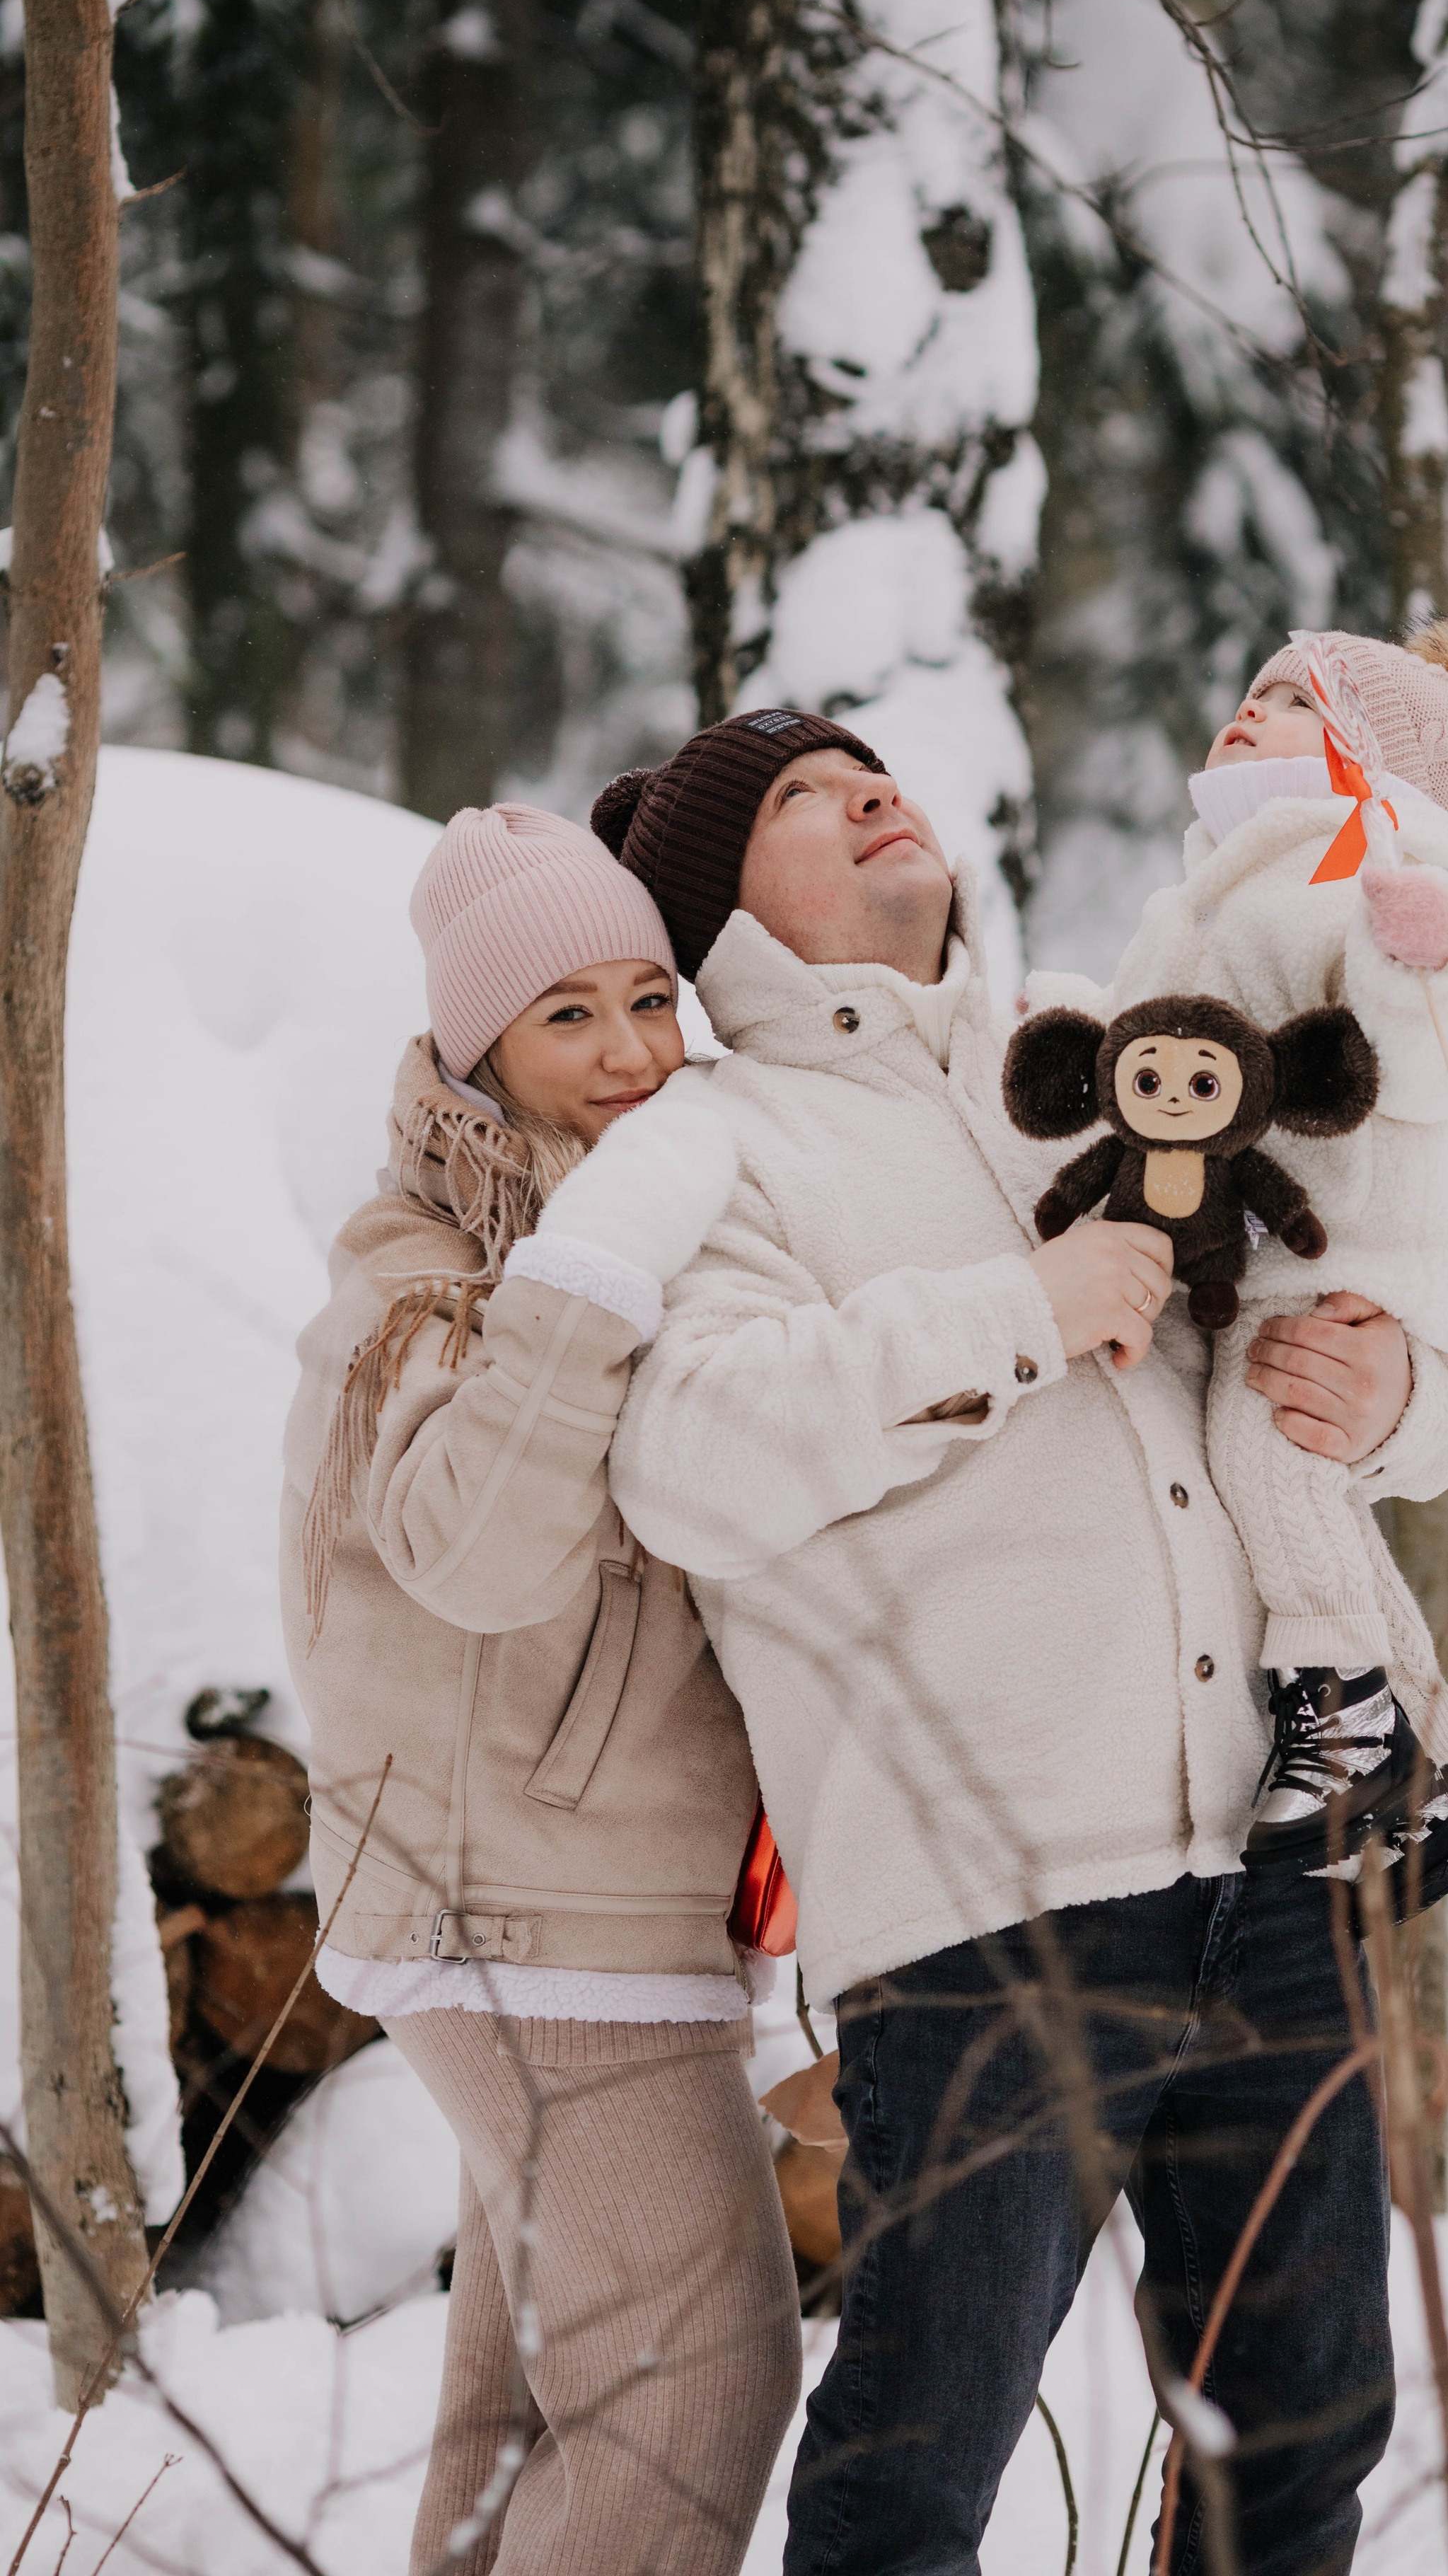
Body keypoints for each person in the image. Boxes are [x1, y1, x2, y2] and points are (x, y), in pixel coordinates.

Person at [596, 707, 1448, 2575]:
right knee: (920, 2475)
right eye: (795, 796)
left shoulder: (1105, 1052)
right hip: (983, 1906)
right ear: (716, 911)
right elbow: (690, 1462)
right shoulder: (712, 1142)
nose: (869, 790)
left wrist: (1401, 1391)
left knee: (1304, 2433)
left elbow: (1397, 1279)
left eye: (871, 766)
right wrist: (1018, 1308)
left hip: (1281, 1860)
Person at [279, 802, 799, 2576]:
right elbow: (481, 1556)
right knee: (699, 2388)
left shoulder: (692, 1218)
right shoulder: (417, 1276)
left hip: (593, 1899)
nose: (632, 1054)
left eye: (649, 998)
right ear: (475, 1050)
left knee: (528, 2421)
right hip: (518, 1915)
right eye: (566, 1016)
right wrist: (584, 1282)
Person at [1058, 619, 1448, 1898]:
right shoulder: (1199, 893)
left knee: (1270, 1459)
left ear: (1373, 764)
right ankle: (1434, 1765)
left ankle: (1346, 1730)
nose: (1250, 709)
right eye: (1253, 691)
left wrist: (1428, 954)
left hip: (1344, 1254)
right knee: (1295, 1491)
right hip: (1236, 1255)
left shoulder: (1402, 873)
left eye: (1296, 702)